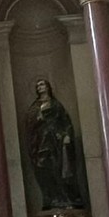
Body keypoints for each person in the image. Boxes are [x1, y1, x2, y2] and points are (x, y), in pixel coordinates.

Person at [23, 79, 86, 210]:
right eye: (38, 85)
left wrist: (67, 135)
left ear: (48, 87)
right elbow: (29, 123)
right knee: (45, 171)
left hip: (56, 142)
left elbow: (65, 120)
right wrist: (37, 118)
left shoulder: (56, 104)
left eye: (42, 84)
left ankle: (68, 198)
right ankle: (52, 199)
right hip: (40, 142)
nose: (40, 87)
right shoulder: (35, 107)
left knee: (60, 169)